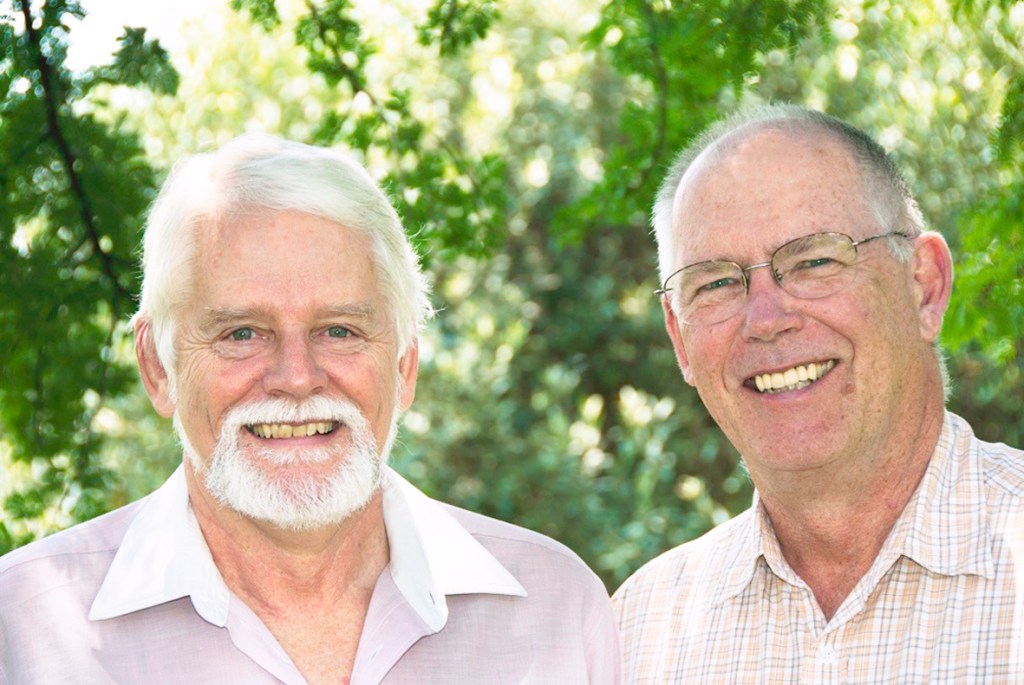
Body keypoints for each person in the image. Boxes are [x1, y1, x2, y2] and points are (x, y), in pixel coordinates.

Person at [0, 135, 621, 684]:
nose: (296, 377)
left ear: (405, 364)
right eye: (242, 333)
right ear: (157, 366)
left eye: (340, 330)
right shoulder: (21, 633)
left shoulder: (558, 612)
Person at [613, 104, 1023, 682]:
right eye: (717, 282)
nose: (765, 319)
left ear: (925, 287)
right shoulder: (633, 635)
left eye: (814, 260)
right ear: (679, 338)